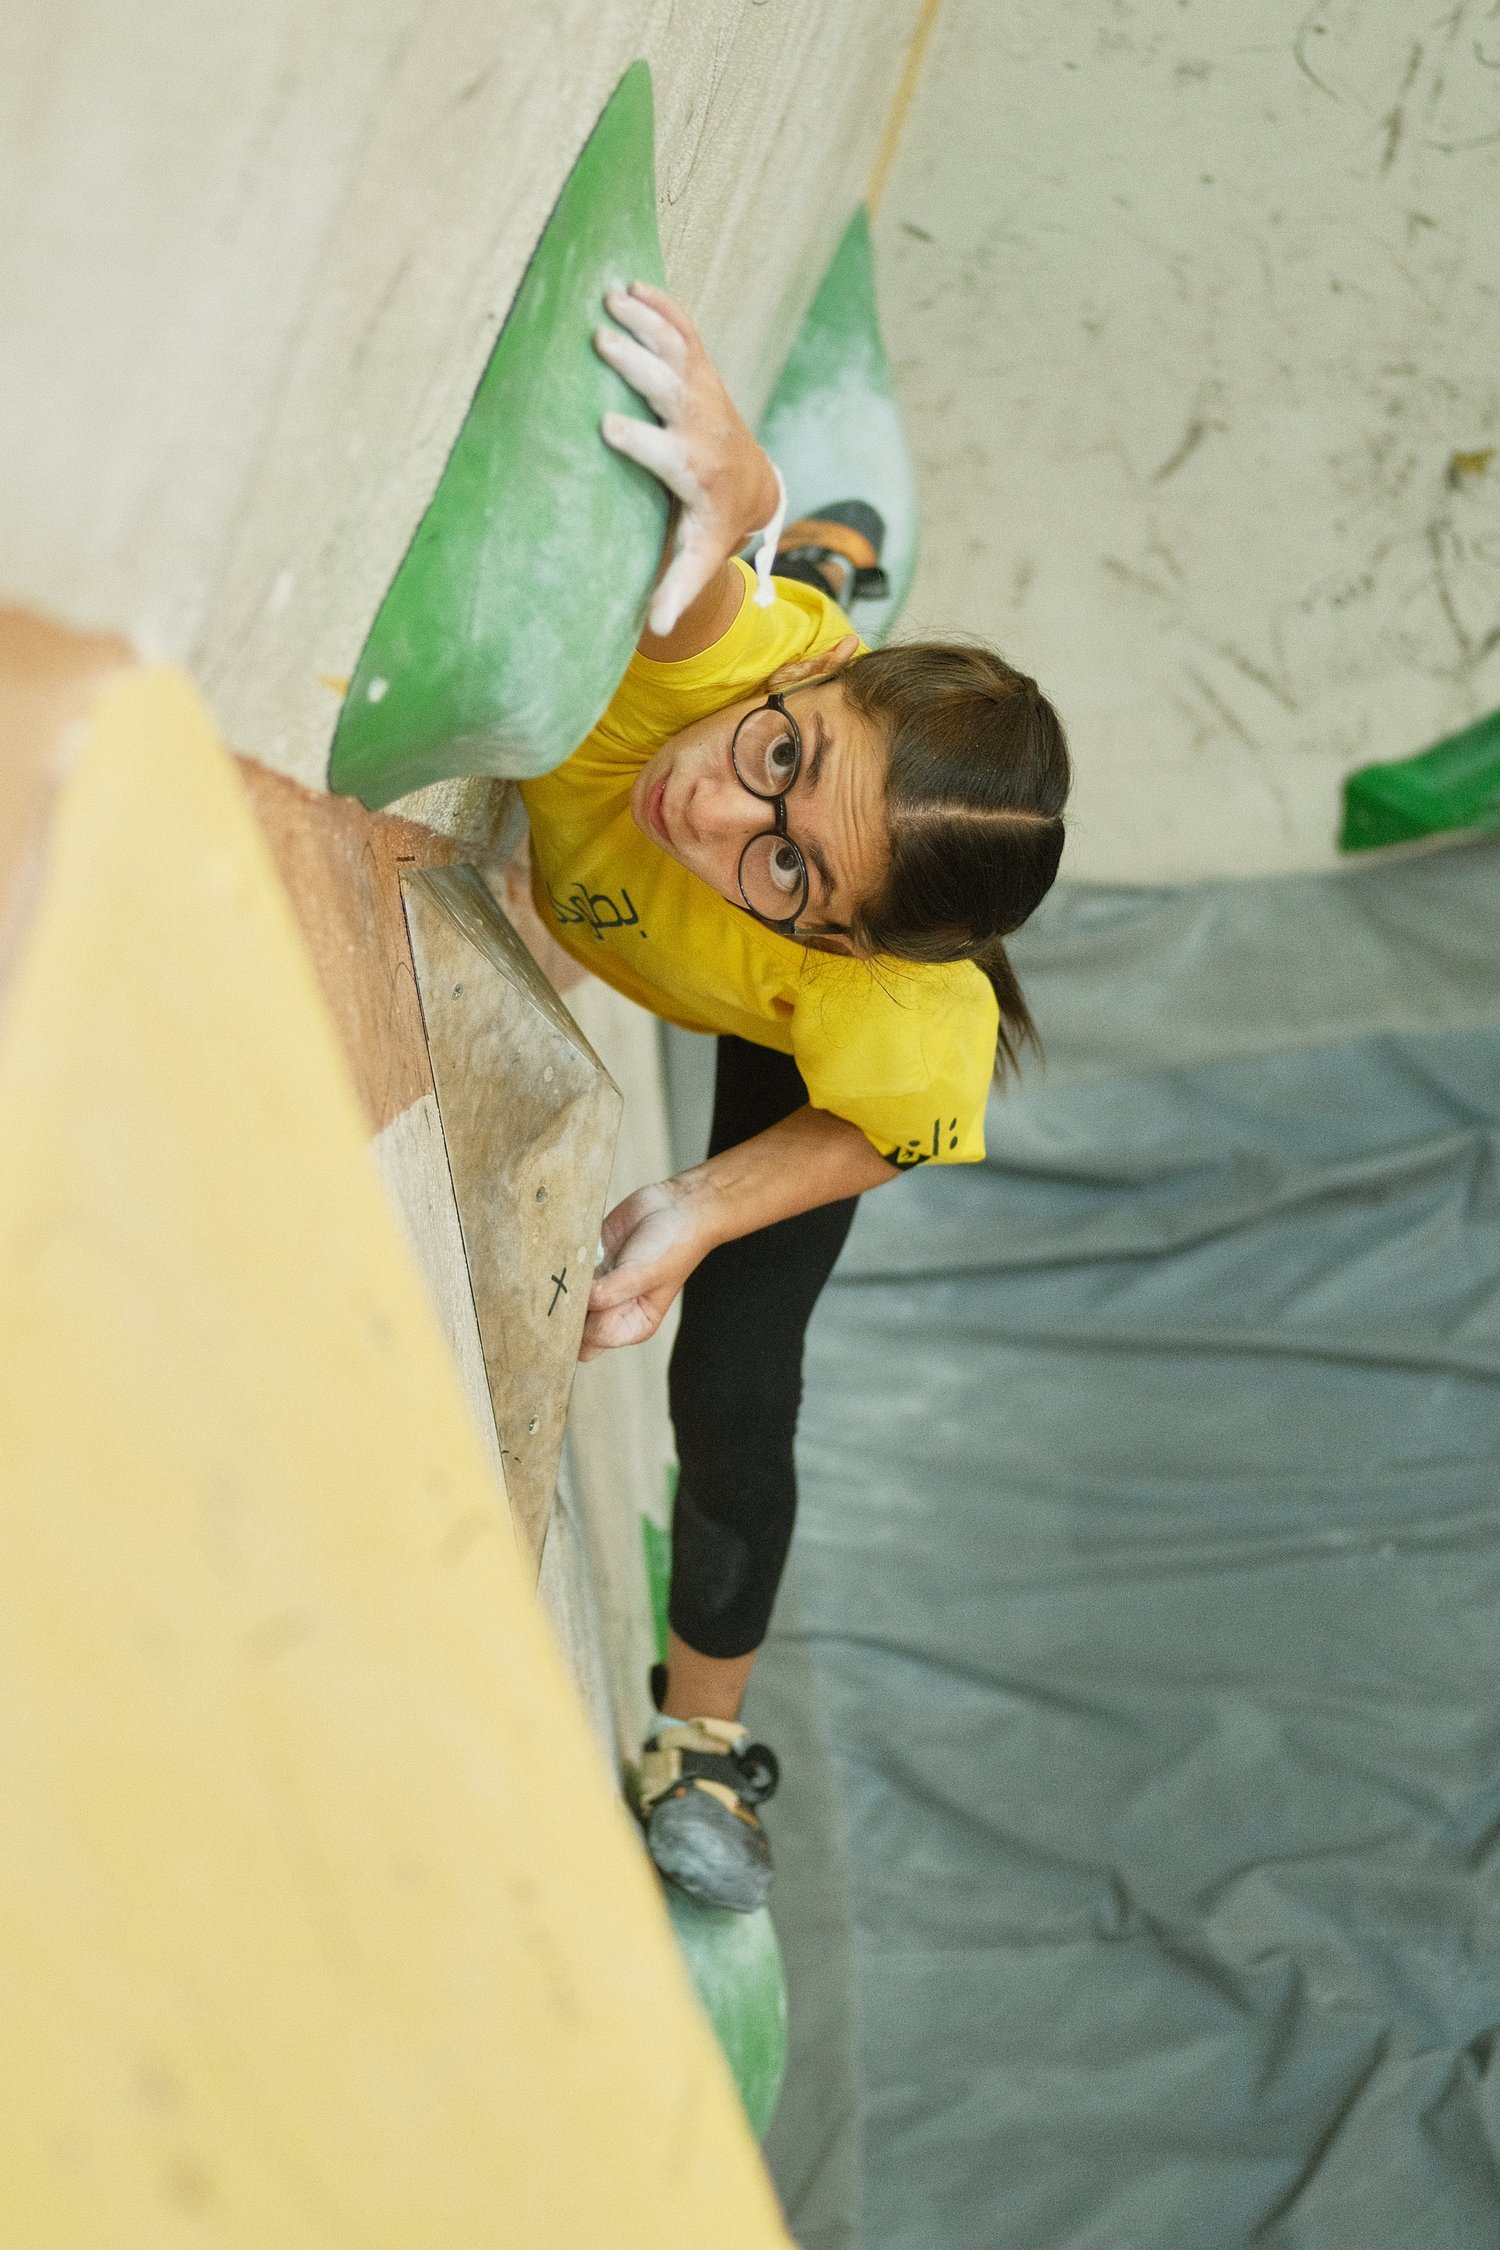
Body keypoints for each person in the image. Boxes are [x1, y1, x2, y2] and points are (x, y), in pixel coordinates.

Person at [517, 280, 1070, 1913]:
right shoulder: (715, 693)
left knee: (746, 1362)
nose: (715, 811)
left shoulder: (867, 993)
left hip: (749, 991)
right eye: (783, 762)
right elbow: (711, 625)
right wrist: (746, 504)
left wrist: (702, 1207)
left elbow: (892, 1121)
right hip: (789, 622)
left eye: (788, 865)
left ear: (831, 930)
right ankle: (832, 556)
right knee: (801, 610)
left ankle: (701, 1743)